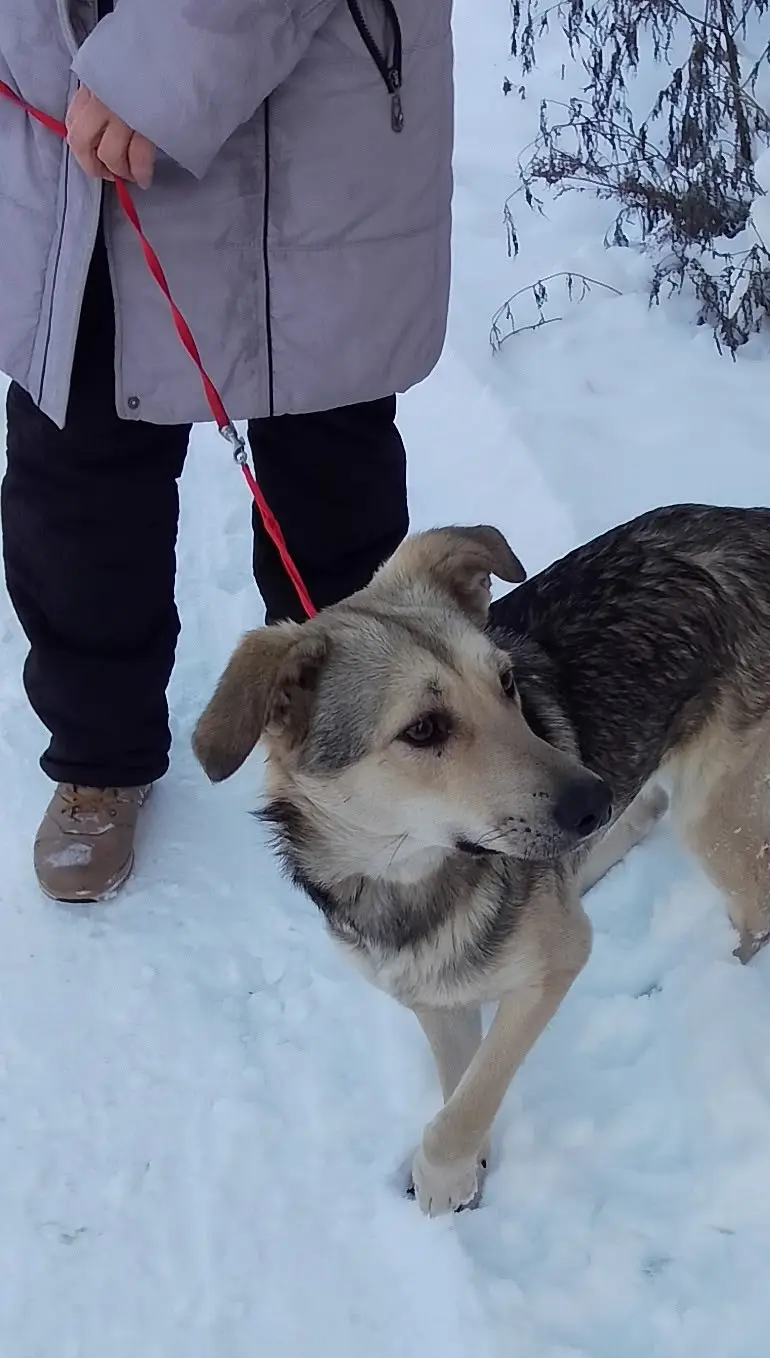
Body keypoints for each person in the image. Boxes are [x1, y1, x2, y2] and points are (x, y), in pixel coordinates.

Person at [0, 0, 453, 901]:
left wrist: (160, 66)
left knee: (330, 476)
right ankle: (97, 754)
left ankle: (377, 746)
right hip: (68, 128)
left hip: (313, 118)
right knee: (74, 483)